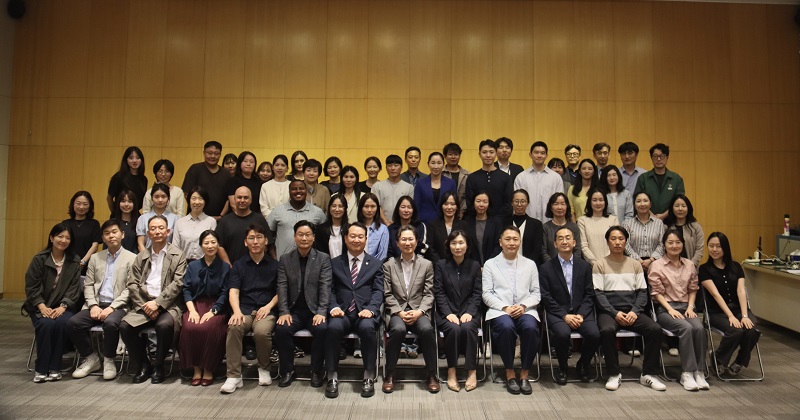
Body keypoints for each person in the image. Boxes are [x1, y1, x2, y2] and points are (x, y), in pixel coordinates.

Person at [593, 226, 666, 392]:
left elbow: (642, 292)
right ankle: (614, 374)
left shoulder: (635, 264)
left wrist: (634, 311)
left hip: (632, 310)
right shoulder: (599, 264)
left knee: (655, 329)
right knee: (606, 330)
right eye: (613, 239)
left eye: (621, 239)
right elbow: (598, 294)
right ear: (607, 242)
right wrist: (614, 313)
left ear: (626, 241)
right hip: (609, 311)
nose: (617, 242)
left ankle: (648, 374)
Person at [120, 215, 187, 384]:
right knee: (125, 326)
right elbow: (132, 283)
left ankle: (159, 365)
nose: (157, 232)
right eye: (153, 229)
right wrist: (146, 305)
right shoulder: (141, 256)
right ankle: (144, 364)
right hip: (144, 303)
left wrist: (158, 304)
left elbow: (178, 284)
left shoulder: (178, 255)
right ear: (148, 233)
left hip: (168, 305)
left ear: (168, 231)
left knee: (164, 326)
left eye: (161, 228)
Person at [69, 219, 136, 380]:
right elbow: (88, 284)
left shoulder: (132, 258)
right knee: (73, 323)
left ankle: (109, 359)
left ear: (122, 234)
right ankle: (91, 358)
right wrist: (93, 305)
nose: (111, 236)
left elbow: (131, 288)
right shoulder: (95, 258)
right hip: (96, 304)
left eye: (114, 232)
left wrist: (112, 307)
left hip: (118, 306)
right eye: (107, 233)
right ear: (103, 238)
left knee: (111, 323)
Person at [324, 222, 385, 399]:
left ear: (366, 239)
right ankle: (331, 376)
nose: (356, 240)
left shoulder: (375, 264)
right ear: (345, 238)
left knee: (367, 328)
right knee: (333, 328)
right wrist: (333, 306)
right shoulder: (335, 263)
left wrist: (372, 309)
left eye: (360, 236)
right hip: (341, 312)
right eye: (352, 236)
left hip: (364, 312)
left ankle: (368, 375)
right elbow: (329, 289)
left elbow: (378, 291)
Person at [219, 224, 279, 393]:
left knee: (261, 332)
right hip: (244, 310)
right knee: (234, 326)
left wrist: (268, 306)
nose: (255, 241)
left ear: (266, 241)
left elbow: (280, 292)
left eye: (259, 237)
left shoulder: (275, 265)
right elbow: (233, 291)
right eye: (251, 238)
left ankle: (264, 368)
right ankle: (234, 376)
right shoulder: (239, 265)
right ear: (245, 242)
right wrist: (236, 311)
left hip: (266, 311)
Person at [648, 227, 709, 391]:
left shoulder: (689, 264)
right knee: (686, 328)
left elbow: (693, 289)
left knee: (699, 329)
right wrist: (670, 309)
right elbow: (656, 293)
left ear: (682, 244)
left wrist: (690, 307)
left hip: (687, 307)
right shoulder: (657, 265)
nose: (674, 246)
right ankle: (687, 373)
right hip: (666, 309)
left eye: (678, 242)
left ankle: (699, 371)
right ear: (664, 245)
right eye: (670, 242)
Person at [482, 226, 540, 395]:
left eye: (515, 239)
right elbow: (487, 293)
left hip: (525, 309)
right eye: (507, 239)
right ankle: (509, 372)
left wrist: (523, 306)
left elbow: (536, 293)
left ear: (520, 242)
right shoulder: (490, 264)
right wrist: (505, 307)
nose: (511, 243)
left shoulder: (530, 264)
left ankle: (524, 373)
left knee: (530, 328)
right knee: (506, 327)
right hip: (500, 310)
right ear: (500, 242)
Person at [381, 226, 440, 393]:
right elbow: (387, 293)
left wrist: (420, 311)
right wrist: (399, 312)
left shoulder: (427, 264)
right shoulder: (389, 265)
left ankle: (431, 374)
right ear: (397, 243)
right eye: (404, 239)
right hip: (397, 311)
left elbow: (429, 293)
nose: (407, 243)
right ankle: (390, 373)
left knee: (427, 330)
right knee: (398, 330)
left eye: (410, 239)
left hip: (419, 311)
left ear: (416, 241)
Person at [539, 226, 600, 384]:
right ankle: (563, 367)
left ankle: (583, 365)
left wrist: (581, 314)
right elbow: (546, 297)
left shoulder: (584, 266)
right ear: (555, 244)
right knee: (562, 334)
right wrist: (564, 315)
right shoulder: (546, 268)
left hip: (581, 312)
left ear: (574, 242)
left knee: (594, 334)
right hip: (558, 312)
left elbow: (589, 294)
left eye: (568, 238)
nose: (564, 241)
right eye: (560, 238)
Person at [275, 221, 332, 388]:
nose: (304, 238)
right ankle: (287, 370)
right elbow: (282, 286)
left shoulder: (323, 259)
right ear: (294, 237)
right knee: (282, 329)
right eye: (300, 234)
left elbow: (325, 286)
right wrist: (284, 311)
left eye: (308, 235)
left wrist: (321, 311)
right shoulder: (285, 259)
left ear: (313, 237)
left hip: (315, 311)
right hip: (294, 311)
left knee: (322, 329)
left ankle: (316, 370)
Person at [24, 223, 81, 383]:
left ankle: (55, 366)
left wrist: (63, 306)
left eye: (67, 238)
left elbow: (74, 288)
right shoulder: (40, 259)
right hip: (40, 306)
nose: (63, 240)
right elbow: (31, 286)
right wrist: (42, 306)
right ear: (51, 238)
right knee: (46, 324)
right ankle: (41, 368)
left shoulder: (74, 260)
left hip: (63, 307)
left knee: (62, 323)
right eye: (60, 236)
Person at [700, 232, 761, 376]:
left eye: (718, 246)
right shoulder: (704, 269)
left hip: (739, 309)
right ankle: (718, 359)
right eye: (711, 246)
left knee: (752, 330)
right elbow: (715, 295)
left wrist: (744, 316)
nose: (714, 249)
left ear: (725, 248)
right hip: (716, 312)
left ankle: (740, 361)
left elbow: (741, 291)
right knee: (735, 331)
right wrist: (730, 316)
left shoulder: (736, 266)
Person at [179, 230, 230, 387]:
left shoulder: (225, 267)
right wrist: (192, 311)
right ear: (201, 245)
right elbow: (186, 290)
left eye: (213, 242)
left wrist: (213, 311)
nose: (210, 246)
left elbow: (225, 293)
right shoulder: (192, 266)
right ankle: (196, 369)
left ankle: (208, 369)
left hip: (217, 307)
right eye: (206, 243)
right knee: (190, 326)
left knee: (209, 327)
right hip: (195, 305)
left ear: (218, 244)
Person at [434, 230, 482, 392]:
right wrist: (448, 313)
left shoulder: (475, 266)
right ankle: (452, 370)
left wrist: (470, 312)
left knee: (468, 328)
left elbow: (477, 293)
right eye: (454, 243)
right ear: (448, 245)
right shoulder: (441, 265)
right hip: (447, 313)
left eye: (461, 243)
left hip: (469, 312)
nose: (457, 247)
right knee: (453, 329)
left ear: (467, 245)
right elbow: (439, 292)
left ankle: (472, 371)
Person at [266, 180, 326, 258]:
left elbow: (324, 237)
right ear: (289, 192)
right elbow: (268, 236)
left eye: (301, 188)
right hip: (282, 261)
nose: (298, 191)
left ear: (306, 191)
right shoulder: (277, 211)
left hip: (310, 261)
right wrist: (274, 258)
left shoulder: (318, 212)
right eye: (294, 189)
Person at [513, 141, 564, 223]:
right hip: (526, 223)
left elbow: (560, 203)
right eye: (536, 152)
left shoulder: (556, 178)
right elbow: (516, 203)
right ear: (530, 154)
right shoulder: (521, 177)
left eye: (542, 153)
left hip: (550, 223)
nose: (539, 155)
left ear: (546, 156)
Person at [217, 186, 270, 264]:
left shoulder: (259, 220)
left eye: (246, 198)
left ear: (251, 200)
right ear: (234, 199)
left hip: (256, 267)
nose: (242, 200)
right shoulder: (224, 221)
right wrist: (228, 266)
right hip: (231, 267)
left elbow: (267, 244)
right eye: (239, 197)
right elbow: (219, 246)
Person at [634, 143, 685, 220]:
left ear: (667, 157)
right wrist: (652, 216)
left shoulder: (676, 179)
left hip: (671, 220)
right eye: (655, 156)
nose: (658, 159)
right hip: (647, 219)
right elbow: (637, 199)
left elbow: (679, 201)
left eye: (662, 156)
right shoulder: (643, 178)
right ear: (651, 158)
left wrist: (663, 215)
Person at [182, 141, 231, 219]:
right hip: (196, 218)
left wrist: (220, 216)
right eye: (209, 153)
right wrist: (200, 215)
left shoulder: (226, 174)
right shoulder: (195, 169)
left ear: (220, 154)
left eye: (216, 154)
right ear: (204, 153)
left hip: (219, 219)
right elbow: (187, 194)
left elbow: (229, 199)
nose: (213, 156)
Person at [465, 139, 513, 218]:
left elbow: (508, 203)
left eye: (491, 152)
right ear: (479, 154)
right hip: (477, 221)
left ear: (496, 153)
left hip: (500, 222)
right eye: (484, 152)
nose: (488, 155)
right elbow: (469, 203)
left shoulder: (506, 177)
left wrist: (497, 220)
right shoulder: (472, 177)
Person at [622, 192, 665, 272]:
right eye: (638, 201)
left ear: (650, 204)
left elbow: (662, 244)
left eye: (645, 201)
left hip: (655, 264)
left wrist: (651, 260)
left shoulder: (659, 223)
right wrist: (638, 260)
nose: (642, 204)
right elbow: (625, 244)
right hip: (632, 264)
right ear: (634, 205)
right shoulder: (627, 223)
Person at [172, 186, 217, 262]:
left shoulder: (211, 221)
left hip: (204, 264)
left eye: (200, 199)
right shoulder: (180, 222)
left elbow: (213, 246)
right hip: (183, 264)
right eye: (194, 198)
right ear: (189, 200)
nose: (197, 202)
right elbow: (175, 248)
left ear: (205, 201)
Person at [62, 191, 101, 276]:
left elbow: (95, 245)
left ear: (90, 206)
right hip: (67, 263)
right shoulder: (66, 223)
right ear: (73, 204)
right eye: (78, 203)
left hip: (88, 264)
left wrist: (83, 262)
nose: (81, 207)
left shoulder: (94, 223)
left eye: (85, 204)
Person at [577, 188, 619, 266]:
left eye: (601, 200)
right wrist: (595, 263)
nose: (598, 203)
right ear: (589, 202)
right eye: (594, 200)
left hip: (612, 264)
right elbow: (583, 245)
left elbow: (616, 243)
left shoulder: (613, 219)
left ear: (605, 202)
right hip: (590, 265)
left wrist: (606, 262)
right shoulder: (582, 220)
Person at [414, 152, 457, 225]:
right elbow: (416, 207)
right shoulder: (420, 183)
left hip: (445, 223)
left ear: (443, 164)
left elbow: (454, 205)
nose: (436, 166)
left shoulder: (451, 183)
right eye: (433, 163)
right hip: (425, 223)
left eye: (439, 163)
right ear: (428, 164)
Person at [371, 154, 414, 226]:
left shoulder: (409, 187)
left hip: (403, 226)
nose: (393, 168)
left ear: (401, 168)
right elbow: (376, 206)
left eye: (396, 165)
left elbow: (410, 208)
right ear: (386, 168)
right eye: (389, 165)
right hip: (382, 226)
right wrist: (387, 223)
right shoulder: (377, 186)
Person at [507, 189, 547, 265]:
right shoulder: (504, 223)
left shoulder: (536, 224)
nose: (519, 204)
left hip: (529, 265)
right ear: (512, 203)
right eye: (516, 201)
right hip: (507, 264)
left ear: (527, 203)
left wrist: (527, 265)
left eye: (523, 201)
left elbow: (537, 249)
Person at [664, 194, 704, 266]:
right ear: (672, 208)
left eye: (683, 206)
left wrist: (691, 265)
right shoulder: (666, 227)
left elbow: (699, 250)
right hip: (669, 268)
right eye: (677, 206)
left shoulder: (696, 227)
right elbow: (662, 248)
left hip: (691, 267)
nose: (680, 209)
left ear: (688, 208)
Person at [136, 184, 179, 252]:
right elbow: (140, 244)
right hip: (147, 255)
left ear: (168, 198)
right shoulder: (143, 218)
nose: (160, 200)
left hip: (168, 255)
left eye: (163, 196)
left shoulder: (175, 219)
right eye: (156, 197)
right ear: (152, 198)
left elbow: (176, 244)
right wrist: (146, 257)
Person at [463, 192, 502, 265]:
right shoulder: (466, 223)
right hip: (471, 265)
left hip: (493, 264)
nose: (481, 204)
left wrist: (488, 264)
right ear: (473, 203)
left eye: (485, 202)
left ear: (489, 204)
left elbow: (498, 246)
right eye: (478, 201)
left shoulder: (496, 223)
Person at [426, 191, 467, 262]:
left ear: (457, 207)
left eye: (452, 204)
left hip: (459, 264)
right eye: (446, 204)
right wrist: (441, 264)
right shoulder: (433, 225)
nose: (449, 207)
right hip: (438, 264)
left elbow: (467, 246)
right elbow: (430, 247)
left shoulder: (464, 225)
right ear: (441, 206)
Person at [542, 193, 582, 261]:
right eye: (556, 204)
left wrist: (572, 264)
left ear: (567, 206)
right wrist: (552, 265)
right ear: (551, 207)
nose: (559, 207)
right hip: (551, 266)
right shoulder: (545, 227)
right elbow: (543, 251)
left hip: (572, 265)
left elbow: (577, 250)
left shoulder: (574, 227)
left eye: (563, 204)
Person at [107, 146, 147, 213]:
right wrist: (114, 213)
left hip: (135, 215)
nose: (134, 161)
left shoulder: (143, 179)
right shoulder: (118, 177)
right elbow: (109, 198)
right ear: (126, 160)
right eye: (131, 158)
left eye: (138, 158)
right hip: (120, 214)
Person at [357, 193, 389, 262]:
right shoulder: (355, 228)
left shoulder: (383, 229)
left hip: (376, 266)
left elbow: (382, 255)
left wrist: (370, 266)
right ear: (361, 208)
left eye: (373, 206)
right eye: (366, 206)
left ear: (377, 208)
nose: (369, 210)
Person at [442, 142, 470, 219]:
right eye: (450, 154)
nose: (453, 157)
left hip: (463, 214)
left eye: (456, 154)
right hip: (443, 214)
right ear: (445, 156)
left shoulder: (467, 175)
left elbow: (468, 196)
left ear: (459, 156)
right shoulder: (440, 174)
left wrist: (461, 211)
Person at [259, 154, 291, 219]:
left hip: (288, 220)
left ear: (287, 168)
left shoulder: (291, 185)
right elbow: (264, 208)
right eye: (277, 165)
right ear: (273, 168)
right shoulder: (265, 186)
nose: (279, 168)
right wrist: (275, 219)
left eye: (283, 165)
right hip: (270, 221)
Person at [111, 189, 141, 254]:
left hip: (135, 258)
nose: (126, 204)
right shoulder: (112, 223)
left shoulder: (140, 222)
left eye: (130, 201)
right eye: (123, 201)